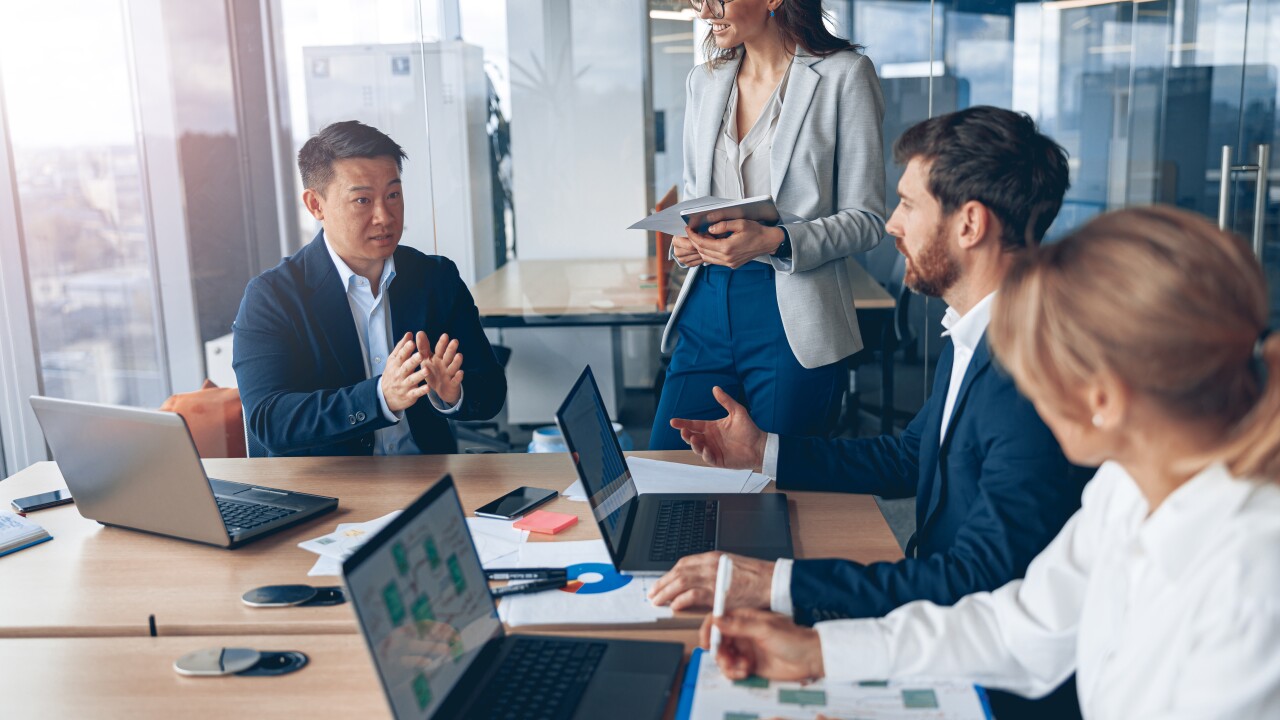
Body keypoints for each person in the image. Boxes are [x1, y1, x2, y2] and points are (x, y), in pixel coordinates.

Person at [703, 206, 1280, 718]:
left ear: (1103, 398)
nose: (1024, 387)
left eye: (1035, 367)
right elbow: (1020, 626)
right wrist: (819, 652)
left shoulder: (1252, 582)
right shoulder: (1125, 488)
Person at [651, 106, 1085, 717]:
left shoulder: (1031, 372)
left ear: (969, 224)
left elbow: (979, 580)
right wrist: (763, 452)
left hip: (986, 680)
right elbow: (911, 457)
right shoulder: (981, 332)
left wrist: (775, 584)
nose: (890, 224)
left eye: (909, 205)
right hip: (939, 627)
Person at [648, 0, 886, 449]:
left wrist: (777, 240)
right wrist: (685, 242)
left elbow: (867, 220)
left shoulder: (844, 75)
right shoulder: (704, 81)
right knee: (668, 464)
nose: (705, 13)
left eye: (717, 1)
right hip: (706, 304)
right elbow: (694, 197)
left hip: (792, 316)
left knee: (777, 486)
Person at [233, 120, 506, 457]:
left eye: (393, 195)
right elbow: (268, 419)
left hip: (431, 482)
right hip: (334, 492)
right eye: (362, 201)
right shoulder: (272, 297)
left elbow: (491, 390)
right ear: (315, 205)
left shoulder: (435, 278)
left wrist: (453, 395)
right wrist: (379, 398)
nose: (385, 216)